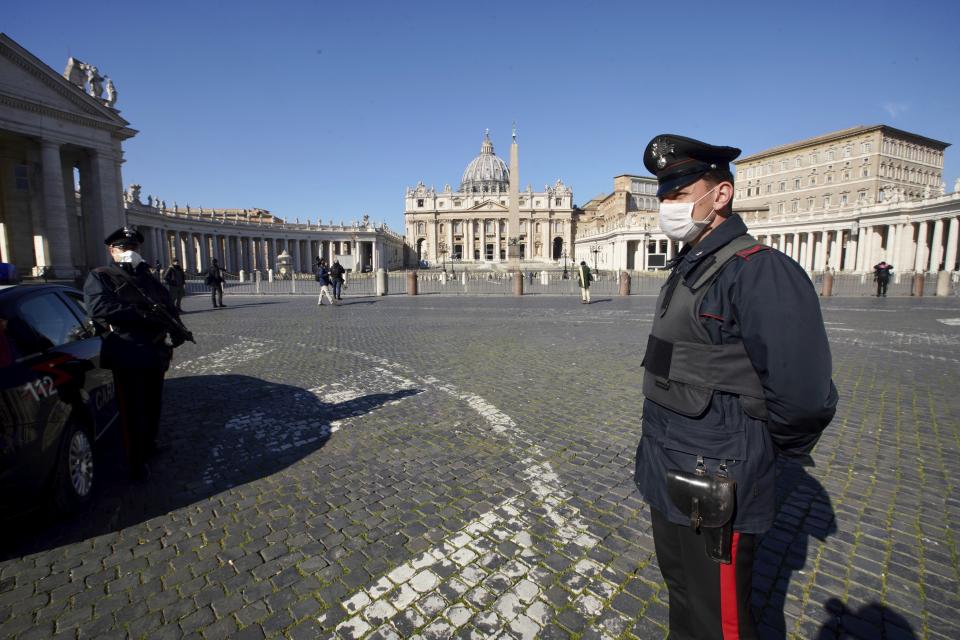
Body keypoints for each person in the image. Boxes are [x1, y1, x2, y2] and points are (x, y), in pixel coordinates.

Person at [634, 134, 838, 639]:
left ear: (719, 195)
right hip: (670, 468)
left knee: (721, 620)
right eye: (663, 196)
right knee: (683, 599)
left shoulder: (761, 273)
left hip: (718, 479)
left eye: (678, 195)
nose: (667, 206)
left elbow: (804, 396)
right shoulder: (688, 267)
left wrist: (761, 455)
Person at [83, 227, 187, 481]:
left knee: (153, 404)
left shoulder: (146, 276)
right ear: (112, 250)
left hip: (154, 352)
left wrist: (177, 327)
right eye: (124, 248)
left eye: (134, 248)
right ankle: (135, 461)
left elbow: (165, 303)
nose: (130, 252)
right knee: (131, 410)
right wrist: (140, 314)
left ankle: (150, 443)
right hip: (126, 351)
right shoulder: (101, 276)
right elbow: (99, 306)